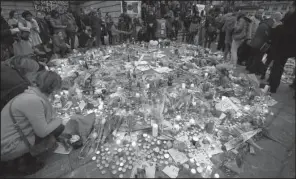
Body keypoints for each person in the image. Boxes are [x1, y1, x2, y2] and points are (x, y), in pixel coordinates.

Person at [1, 71, 64, 175]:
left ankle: (25, 158)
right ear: (52, 88)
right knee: (58, 128)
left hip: (8, 140)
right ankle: (23, 162)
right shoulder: (33, 100)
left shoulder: (30, 94)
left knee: (55, 126)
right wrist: (60, 119)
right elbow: (42, 132)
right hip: (7, 147)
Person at [267, 1, 296, 93]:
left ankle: (272, 87)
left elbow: (279, 33)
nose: (289, 8)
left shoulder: (289, 20)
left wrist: (275, 29)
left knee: (277, 67)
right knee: (279, 66)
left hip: (280, 48)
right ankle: (272, 84)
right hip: (288, 50)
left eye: (291, 6)